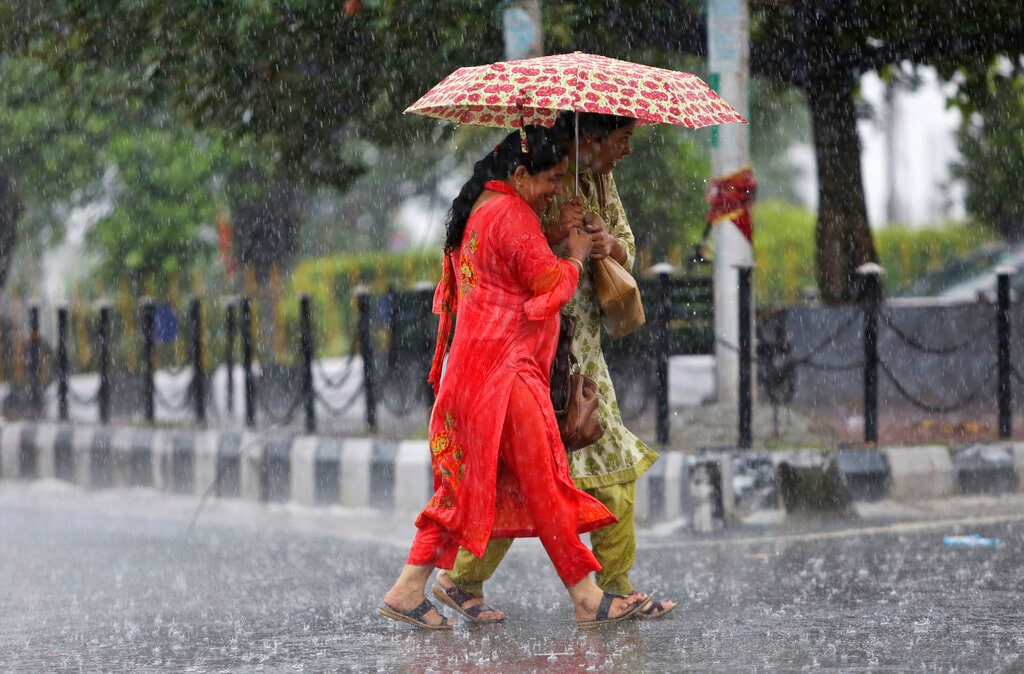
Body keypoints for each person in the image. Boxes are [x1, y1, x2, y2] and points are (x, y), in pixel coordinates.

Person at [379, 126, 652, 630]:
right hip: (506, 373)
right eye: (549, 180)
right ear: (520, 174)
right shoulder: (511, 215)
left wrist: (555, 236)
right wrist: (571, 253)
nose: (555, 189)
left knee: (466, 491)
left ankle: (408, 588)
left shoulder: (488, 209)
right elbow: (550, 290)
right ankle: (588, 596)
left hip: (474, 374)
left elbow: (513, 265)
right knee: (545, 484)